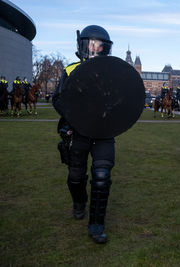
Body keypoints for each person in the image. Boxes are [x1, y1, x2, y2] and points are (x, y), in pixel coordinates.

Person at [52, 25, 115, 244]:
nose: (96, 48)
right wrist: (74, 116)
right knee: (75, 176)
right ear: (84, 45)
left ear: (105, 48)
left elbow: (119, 101)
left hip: (103, 132)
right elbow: (58, 99)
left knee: (101, 176)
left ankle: (97, 225)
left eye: (100, 45)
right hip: (78, 132)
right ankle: (79, 203)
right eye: (92, 44)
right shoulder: (70, 70)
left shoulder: (111, 71)